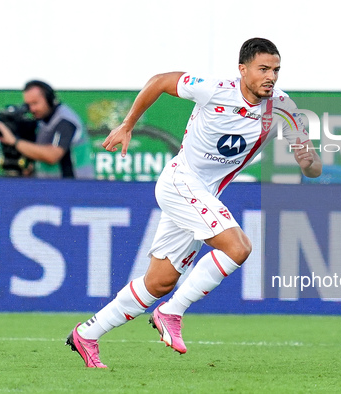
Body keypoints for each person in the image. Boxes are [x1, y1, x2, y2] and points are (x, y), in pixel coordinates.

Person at [65, 37, 322, 368]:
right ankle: (171, 312)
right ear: (242, 70)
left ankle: (87, 333)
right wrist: (127, 124)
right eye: (263, 69)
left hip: (202, 195)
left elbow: (312, 167)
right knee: (239, 247)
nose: (270, 76)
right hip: (180, 182)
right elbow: (160, 81)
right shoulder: (213, 89)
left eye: (275, 70)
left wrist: (307, 157)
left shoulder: (285, 108)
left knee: (159, 281)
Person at [0, 80, 94, 179]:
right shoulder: (40, 120)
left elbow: (52, 156)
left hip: (75, 187)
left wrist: (14, 141)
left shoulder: (65, 121)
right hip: (49, 186)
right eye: (28, 105)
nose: (32, 109)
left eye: (35, 103)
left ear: (49, 99)